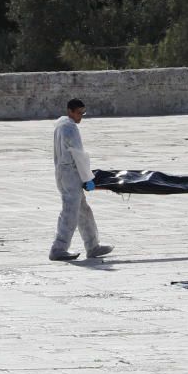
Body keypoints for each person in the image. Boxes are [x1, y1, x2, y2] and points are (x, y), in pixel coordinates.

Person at [49, 98, 114, 261]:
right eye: (78, 113)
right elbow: (79, 156)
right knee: (70, 212)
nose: (80, 117)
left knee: (83, 211)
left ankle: (92, 246)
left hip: (62, 172)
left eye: (83, 113)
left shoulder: (60, 124)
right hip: (71, 174)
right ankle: (58, 248)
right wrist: (87, 178)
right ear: (70, 111)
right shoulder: (70, 128)